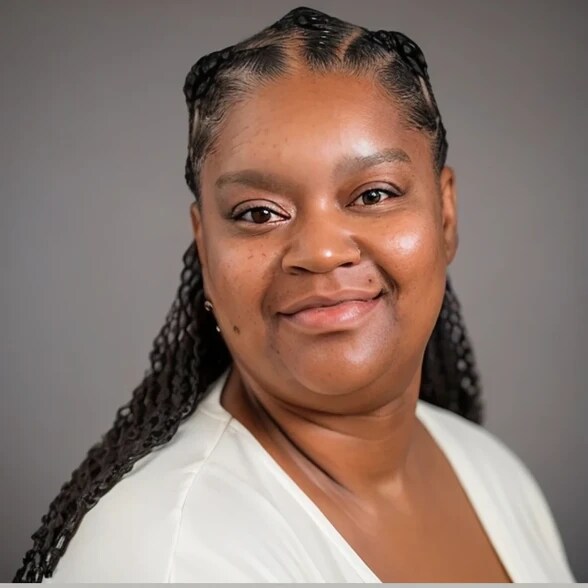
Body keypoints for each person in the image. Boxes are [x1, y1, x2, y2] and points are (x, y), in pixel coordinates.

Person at [14, 6, 575, 583]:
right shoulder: (167, 555)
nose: (322, 252)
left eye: (374, 195)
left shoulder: (493, 472)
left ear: (446, 214)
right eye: (258, 213)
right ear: (204, 248)